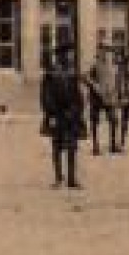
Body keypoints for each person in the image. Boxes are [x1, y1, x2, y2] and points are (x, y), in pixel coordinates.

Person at [41, 47, 85, 189]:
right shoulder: (51, 74)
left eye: (71, 55)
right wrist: (52, 113)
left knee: (72, 148)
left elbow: (78, 96)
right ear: (60, 57)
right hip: (57, 116)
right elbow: (45, 97)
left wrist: (77, 111)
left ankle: (72, 179)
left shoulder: (72, 74)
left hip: (72, 116)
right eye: (67, 55)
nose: (70, 58)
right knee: (57, 147)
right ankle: (59, 178)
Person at [82, 45, 120, 156]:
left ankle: (113, 145)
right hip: (96, 99)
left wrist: (116, 93)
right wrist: (94, 85)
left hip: (110, 98)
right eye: (103, 52)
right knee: (94, 122)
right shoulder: (94, 66)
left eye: (108, 53)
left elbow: (116, 82)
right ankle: (95, 146)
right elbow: (84, 77)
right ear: (100, 53)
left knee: (113, 120)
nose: (106, 55)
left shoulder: (114, 67)